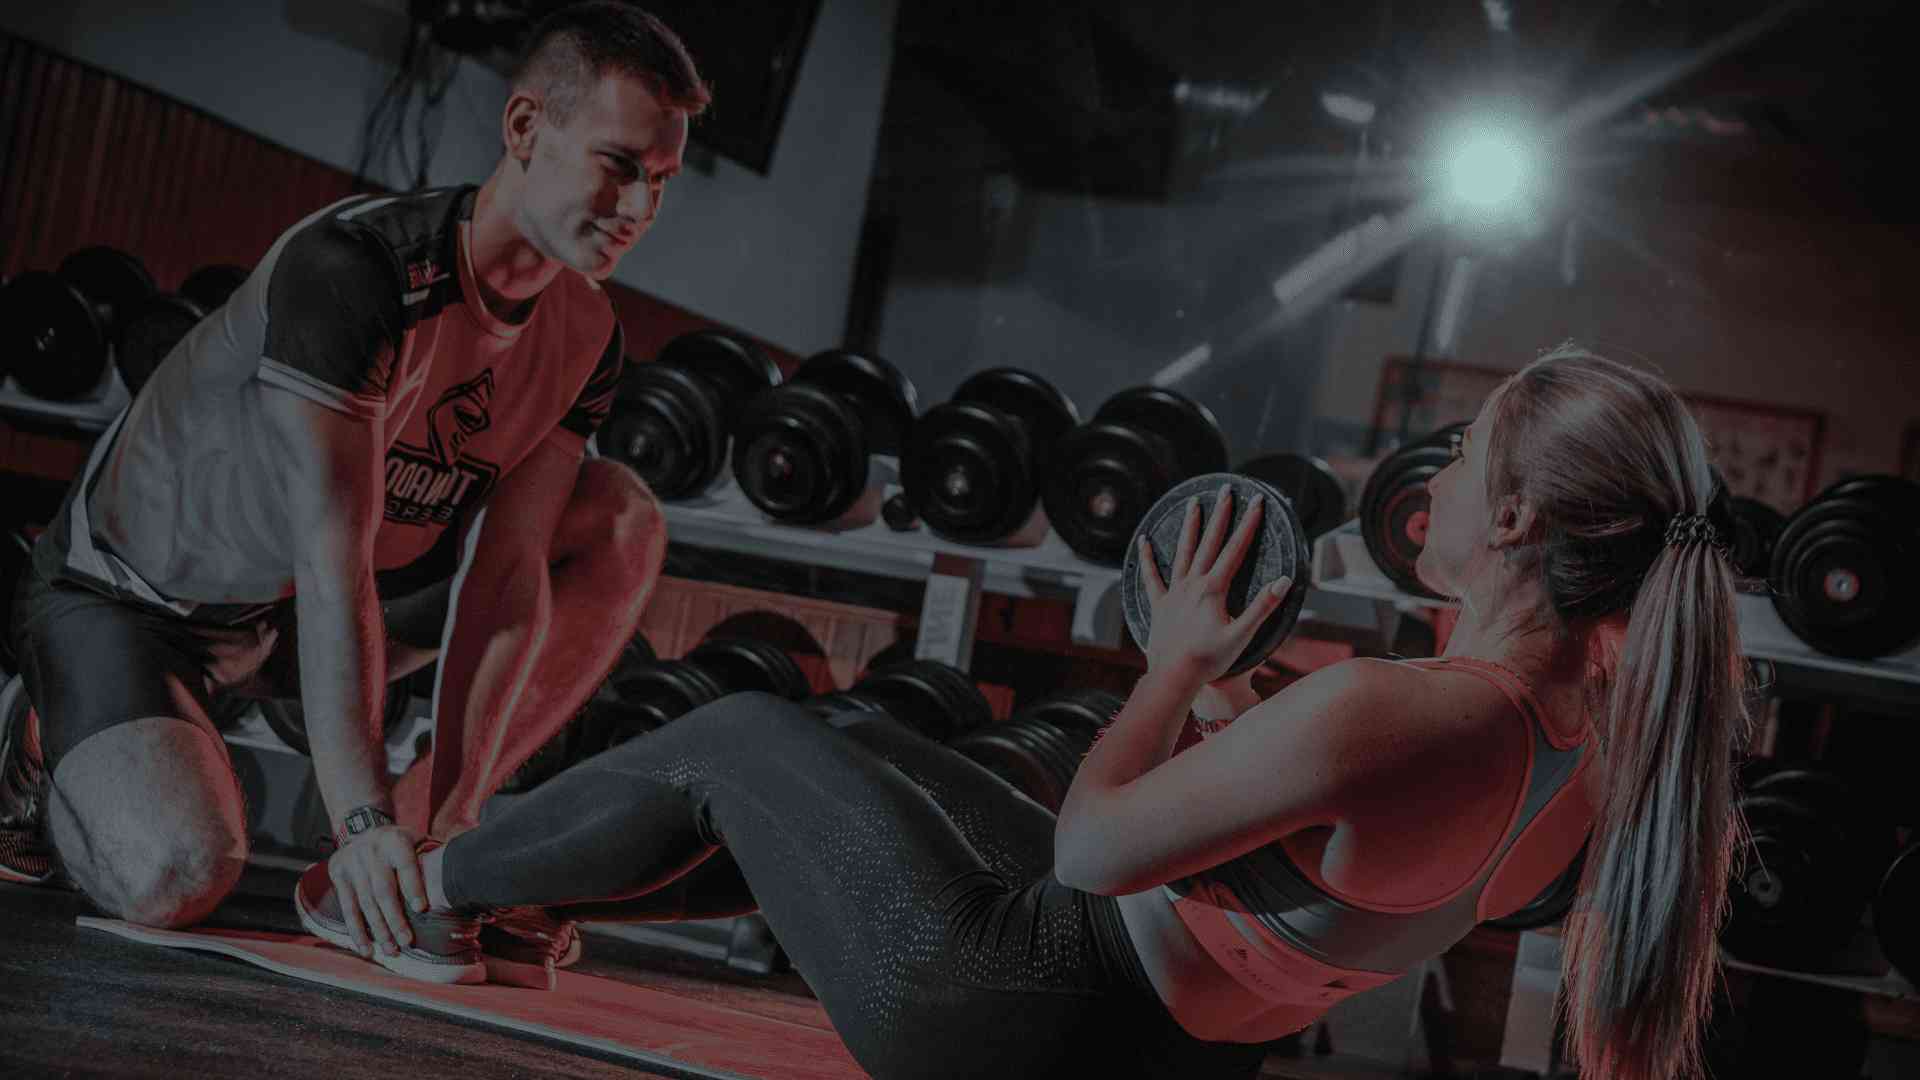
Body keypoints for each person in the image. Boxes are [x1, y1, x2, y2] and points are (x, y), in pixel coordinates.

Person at [294, 345, 1753, 1080]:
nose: (1422, 488)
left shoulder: (1399, 706)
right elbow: (1325, 854)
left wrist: (1176, 662)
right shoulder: (1606, 740)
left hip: (1016, 1005)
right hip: (1173, 1044)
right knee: (860, 743)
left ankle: (420, 892)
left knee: (741, 741)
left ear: (1510, 514)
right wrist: (1240, 689)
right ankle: (531, 904)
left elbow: (1093, 852)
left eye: (1461, 456)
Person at [2, 1, 708, 972]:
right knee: (175, 873)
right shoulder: (359, 272)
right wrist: (358, 811)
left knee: (618, 519)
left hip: (310, 615)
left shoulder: (586, 336)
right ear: (525, 129)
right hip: (138, 603)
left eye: (662, 182)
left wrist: (453, 834)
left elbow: (506, 585)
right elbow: (329, 547)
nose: (639, 210)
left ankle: (385, 877)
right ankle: (35, 731)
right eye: (619, 166)